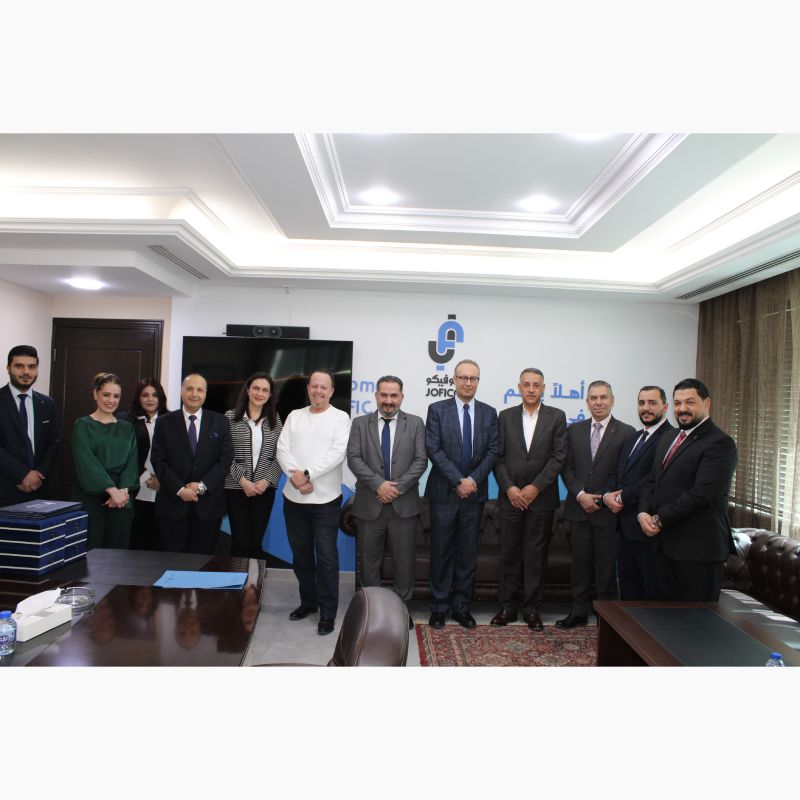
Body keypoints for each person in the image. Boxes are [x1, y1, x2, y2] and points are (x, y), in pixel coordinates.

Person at [637, 378, 737, 602]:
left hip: (698, 552)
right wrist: (642, 513)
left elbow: (702, 494)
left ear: (706, 403)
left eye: (690, 402)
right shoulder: (669, 437)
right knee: (663, 617)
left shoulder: (720, 443)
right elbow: (652, 481)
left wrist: (659, 519)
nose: (682, 409)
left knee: (695, 620)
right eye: (677, 403)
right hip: (664, 546)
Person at [347, 375, 427, 629]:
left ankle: (401, 611)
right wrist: (378, 485)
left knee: (404, 563)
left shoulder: (415, 423)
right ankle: (371, 612)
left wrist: (396, 488)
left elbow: (421, 460)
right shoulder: (360, 424)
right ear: (376, 396)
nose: (388, 400)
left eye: (394, 395)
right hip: (370, 505)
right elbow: (354, 458)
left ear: (401, 397)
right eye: (384, 395)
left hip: (404, 507)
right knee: (369, 563)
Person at [491, 368, 567, 631]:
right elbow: (497, 457)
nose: (531, 389)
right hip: (510, 499)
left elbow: (559, 456)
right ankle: (507, 607)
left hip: (542, 499)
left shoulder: (557, 416)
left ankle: (532, 609)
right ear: (519, 387)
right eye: (526, 384)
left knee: (536, 556)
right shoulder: (505, 417)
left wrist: (536, 487)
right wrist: (510, 489)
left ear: (543, 388)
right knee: (509, 554)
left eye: (536, 385)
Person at [425, 359, 498, 629]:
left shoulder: (489, 413)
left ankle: (462, 608)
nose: (468, 382)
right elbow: (433, 449)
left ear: (478, 381)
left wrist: (472, 480)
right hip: (443, 493)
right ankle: (439, 607)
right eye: (463, 377)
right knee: (441, 552)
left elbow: (493, 450)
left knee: (468, 555)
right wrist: (458, 480)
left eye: (473, 378)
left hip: (474, 495)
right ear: (454, 380)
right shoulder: (437, 410)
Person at [276, 370, 351, 635]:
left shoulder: (340, 418)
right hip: (294, 499)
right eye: (314, 386)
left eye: (324, 387)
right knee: (301, 556)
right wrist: (296, 478)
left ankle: (328, 613)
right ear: (308, 388)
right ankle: (308, 602)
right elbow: (282, 449)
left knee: (327, 558)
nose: (318, 391)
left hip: (325, 501)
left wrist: (307, 474)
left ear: (331, 391)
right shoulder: (295, 416)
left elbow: (336, 454)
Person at [558, 380, 635, 627]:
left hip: (608, 512)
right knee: (579, 566)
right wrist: (581, 494)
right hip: (578, 509)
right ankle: (578, 613)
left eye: (603, 397)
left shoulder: (627, 432)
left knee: (606, 569)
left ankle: (608, 618)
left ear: (612, 400)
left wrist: (601, 498)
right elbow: (566, 468)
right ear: (587, 401)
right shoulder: (574, 430)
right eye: (593, 398)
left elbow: (622, 472)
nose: (598, 402)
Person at [601, 385, 675, 600]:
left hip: (649, 529)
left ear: (665, 407)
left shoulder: (670, 438)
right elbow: (617, 472)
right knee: (629, 593)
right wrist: (607, 495)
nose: (646, 408)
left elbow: (653, 478)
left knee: (651, 596)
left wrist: (621, 497)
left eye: (652, 403)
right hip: (625, 529)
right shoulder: (634, 437)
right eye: (642, 403)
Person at [150, 373, 233, 554]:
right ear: (181, 392)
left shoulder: (221, 422)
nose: (194, 394)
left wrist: (201, 486)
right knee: (173, 560)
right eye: (189, 389)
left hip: (208, 507)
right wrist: (180, 489)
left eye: (200, 390)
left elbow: (225, 460)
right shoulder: (164, 422)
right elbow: (158, 460)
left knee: (202, 561)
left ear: (205, 394)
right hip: (172, 505)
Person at [71, 373, 139, 549]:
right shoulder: (83, 425)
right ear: (95, 394)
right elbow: (86, 462)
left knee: (117, 553)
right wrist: (111, 490)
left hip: (122, 500)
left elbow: (132, 463)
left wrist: (122, 492)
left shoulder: (127, 428)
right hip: (92, 498)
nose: (111, 400)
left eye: (116, 396)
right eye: (106, 395)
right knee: (91, 552)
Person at [224, 372, 283, 559]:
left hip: (264, 489)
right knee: (240, 542)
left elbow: (280, 455)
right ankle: (236, 577)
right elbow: (225, 453)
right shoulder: (230, 417)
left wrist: (266, 481)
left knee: (256, 542)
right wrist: (242, 481)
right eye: (256, 388)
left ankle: (254, 578)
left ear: (270, 395)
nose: (260, 393)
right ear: (248, 390)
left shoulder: (275, 420)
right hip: (235, 488)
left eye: (265, 390)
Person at [0, 345, 60, 508]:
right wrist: (22, 474)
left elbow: (53, 443)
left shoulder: (47, 403)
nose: (26, 372)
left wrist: (38, 474)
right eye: (19, 366)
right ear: (8, 368)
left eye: (32, 366)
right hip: (5, 490)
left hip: (40, 490)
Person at [117, 377, 169, 551]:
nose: (150, 399)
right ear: (138, 397)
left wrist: (163, 481)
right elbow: (124, 454)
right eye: (145, 395)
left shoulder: (171, 419)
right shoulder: (125, 420)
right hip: (136, 486)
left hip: (164, 489)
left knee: (160, 541)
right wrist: (147, 477)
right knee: (137, 540)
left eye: (155, 395)